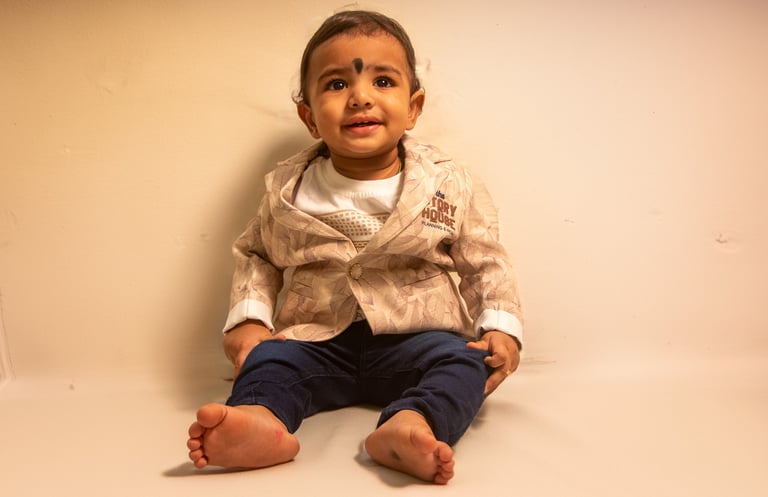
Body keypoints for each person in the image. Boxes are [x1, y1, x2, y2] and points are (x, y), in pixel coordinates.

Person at [186, 10, 523, 485]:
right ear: (308, 116)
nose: (361, 97)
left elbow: (485, 259)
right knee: (268, 361)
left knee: (464, 362)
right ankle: (261, 419)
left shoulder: (448, 183)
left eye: (383, 81)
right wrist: (249, 321)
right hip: (317, 340)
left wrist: (500, 328)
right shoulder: (288, 189)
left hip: (418, 338)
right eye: (337, 84)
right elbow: (257, 254)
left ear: (414, 107)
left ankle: (413, 422)